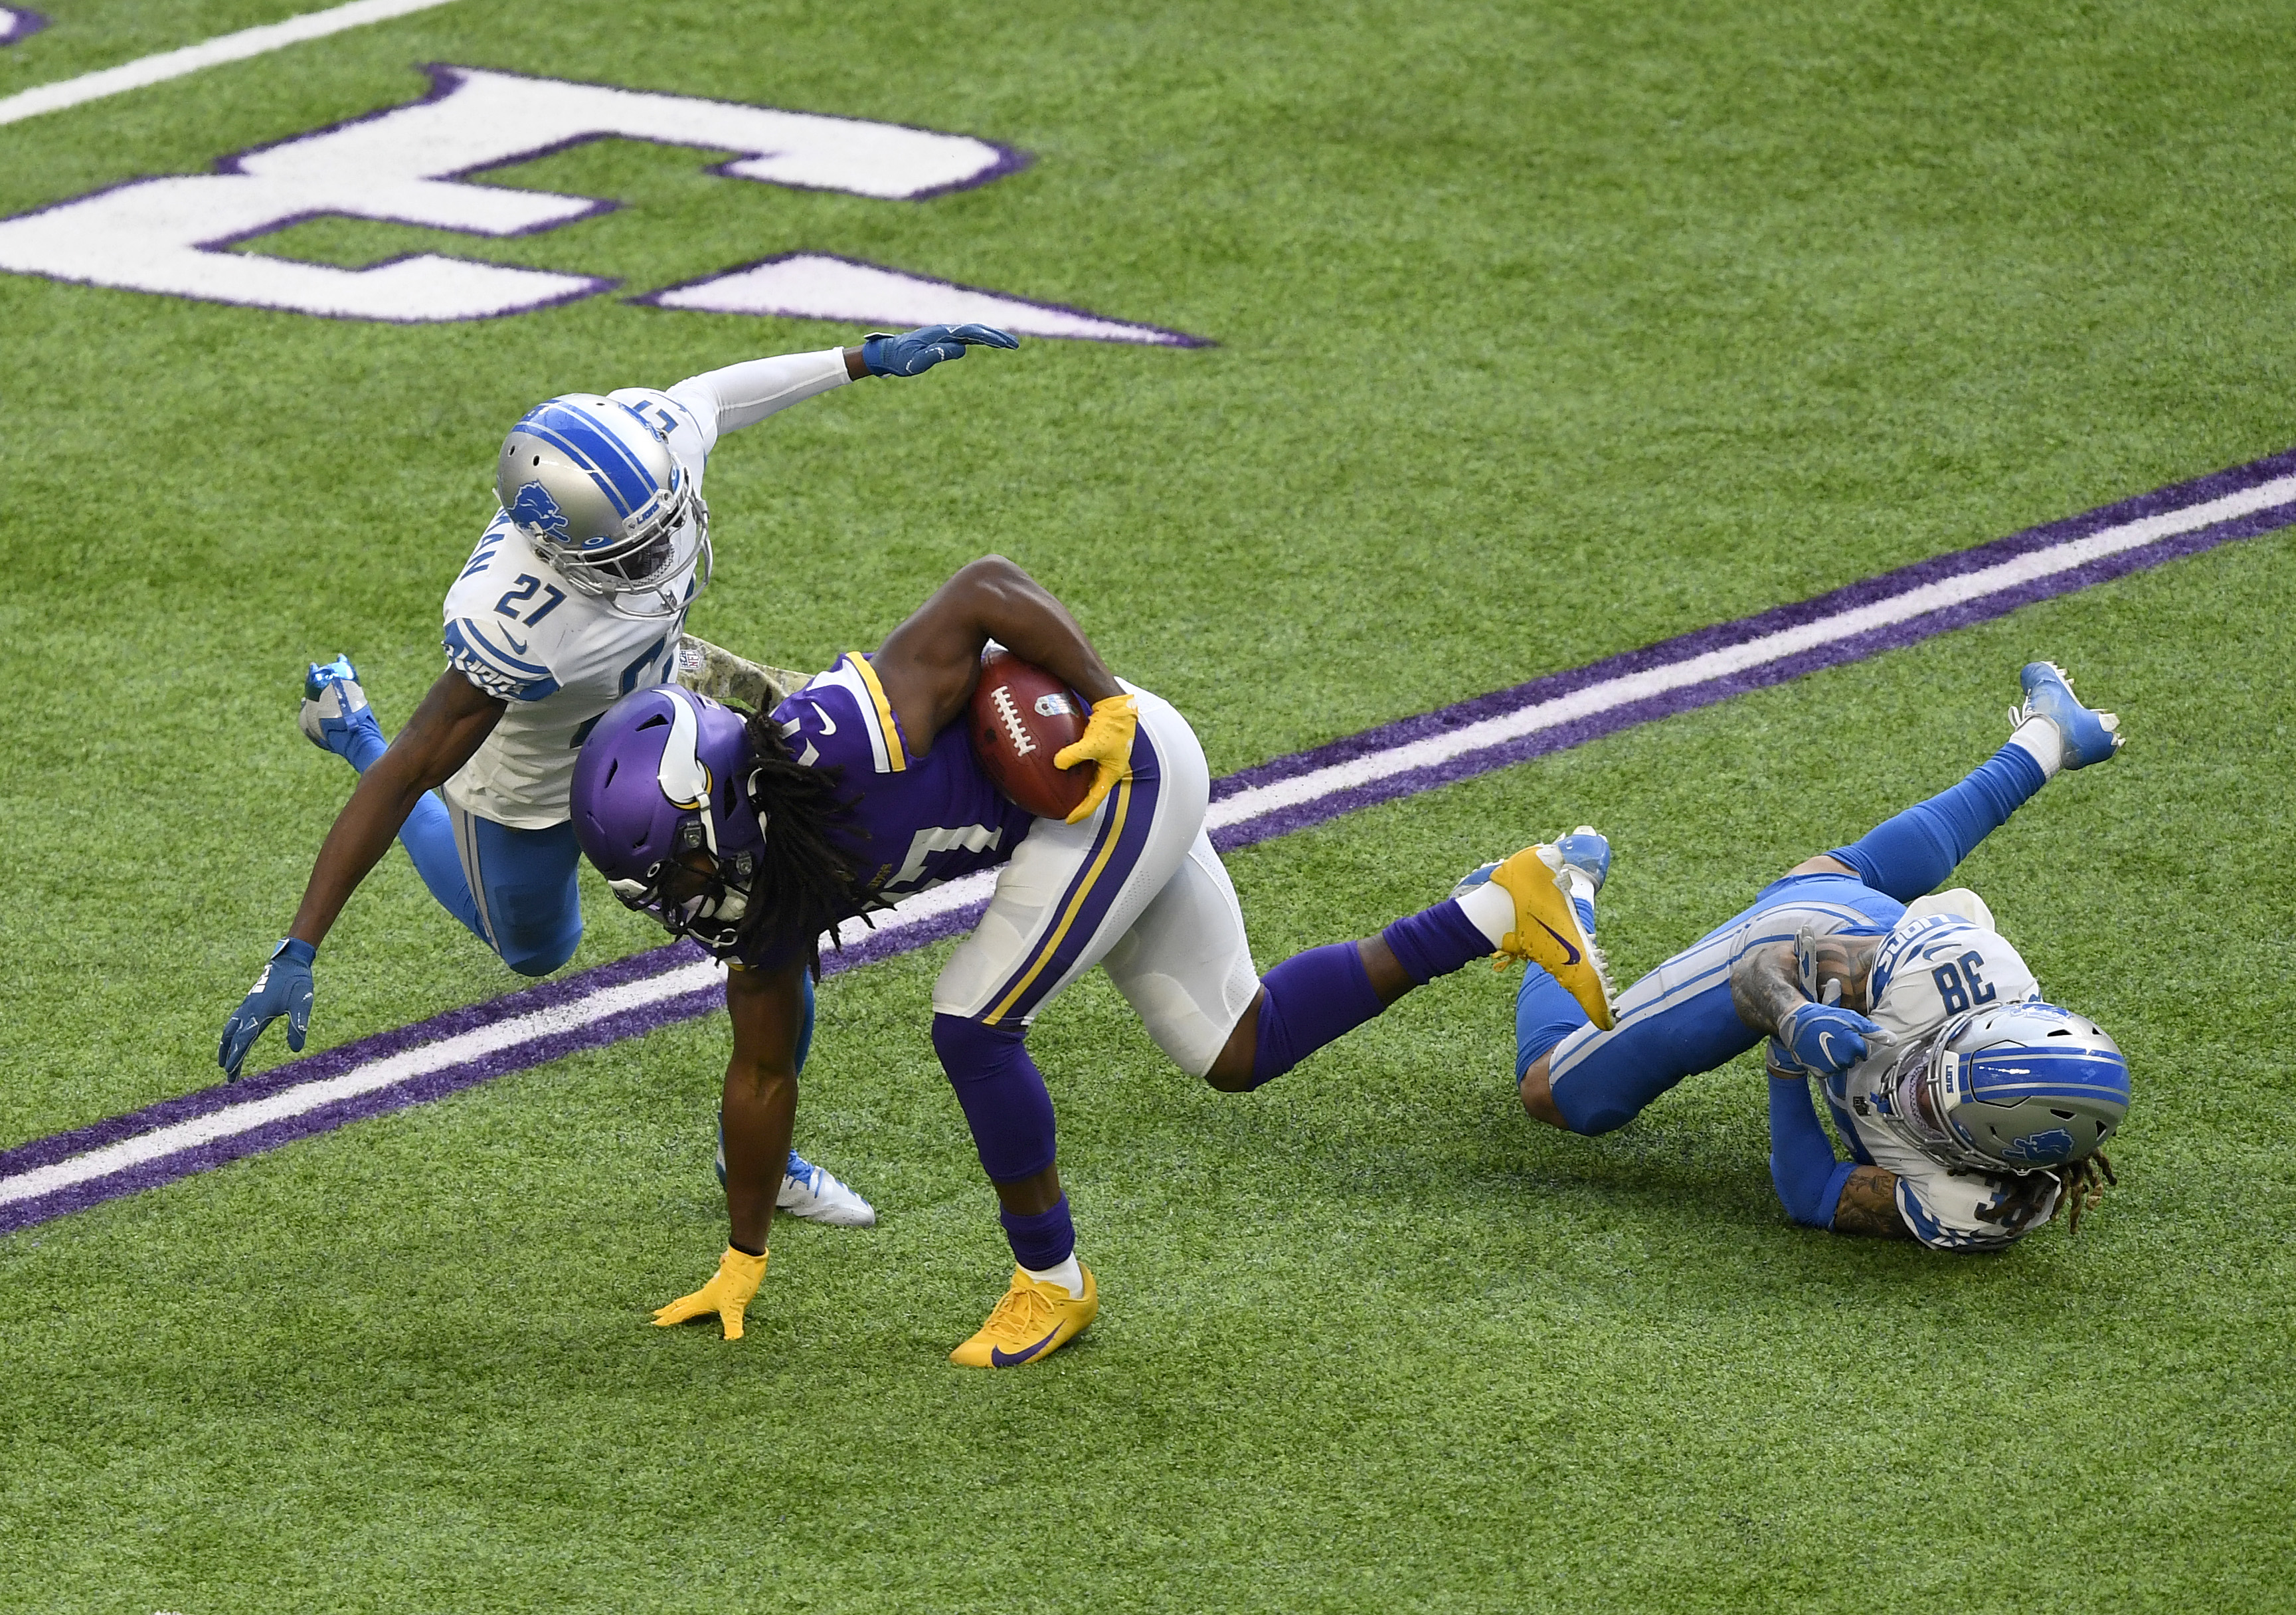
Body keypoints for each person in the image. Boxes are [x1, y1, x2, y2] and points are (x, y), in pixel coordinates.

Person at [565, 555, 1618, 1363]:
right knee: (1237, 1043)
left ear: (725, 798)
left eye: (688, 872)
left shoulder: (847, 736)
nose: (689, 901)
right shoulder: (761, 887)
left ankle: (1051, 1281)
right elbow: (760, 1069)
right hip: (1063, 826)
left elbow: (982, 590)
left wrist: (1102, 696)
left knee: (972, 1020)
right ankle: (1503, 904)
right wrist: (743, 1255)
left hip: (1117, 770)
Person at [215, 324, 1021, 1224]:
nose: (665, 557)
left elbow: (718, 394)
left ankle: (758, 1152)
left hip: (664, 695)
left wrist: (863, 358)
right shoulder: (514, 625)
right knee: (534, 950)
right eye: (634, 556)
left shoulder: (645, 454)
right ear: (559, 552)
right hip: (533, 771)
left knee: (778, 898)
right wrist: (299, 945)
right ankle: (346, 729)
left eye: (666, 528)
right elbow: (413, 768)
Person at [1499, 662, 2132, 1249]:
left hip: (1866, 948)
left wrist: (1784, 1063)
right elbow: (1760, 967)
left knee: (1831, 874)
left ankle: (2050, 735)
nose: (1910, 1096)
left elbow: (1812, 1193)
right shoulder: (1937, 976)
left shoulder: (1985, 1205)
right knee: (1556, 1093)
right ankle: (1557, 895)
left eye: (1934, 1111)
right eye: (1925, 1076)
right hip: (1823, 938)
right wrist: (1790, 1015)